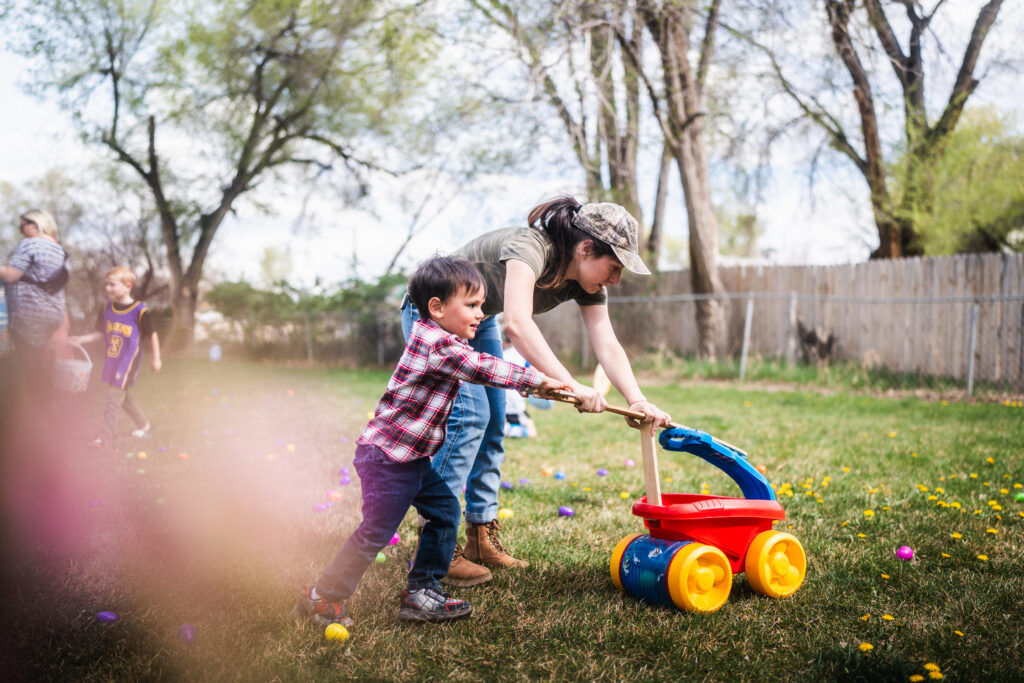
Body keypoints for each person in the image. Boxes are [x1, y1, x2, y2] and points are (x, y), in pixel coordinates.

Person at [401, 196, 672, 585]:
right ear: (585, 249)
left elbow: (607, 342)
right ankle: (438, 547)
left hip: (478, 320)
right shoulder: (530, 248)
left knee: (494, 422)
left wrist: (637, 399)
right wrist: (571, 384)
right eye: (614, 267)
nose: (615, 279)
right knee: (470, 417)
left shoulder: (586, 281)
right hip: (434, 315)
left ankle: (480, 535)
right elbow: (517, 322)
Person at [295, 255, 566, 626]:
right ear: (437, 308)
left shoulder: (446, 340)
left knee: (443, 512)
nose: (480, 314)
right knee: (376, 531)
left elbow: (475, 363)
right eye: (471, 305)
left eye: (482, 305)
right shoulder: (437, 344)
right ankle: (322, 597)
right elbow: (482, 367)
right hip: (388, 459)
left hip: (413, 460)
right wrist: (536, 380)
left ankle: (422, 591)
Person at [69, 266, 161, 448]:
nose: (108, 288)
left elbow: (152, 334)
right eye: (107, 284)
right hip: (113, 359)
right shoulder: (107, 308)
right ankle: (144, 425)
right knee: (122, 395)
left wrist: (156, 358)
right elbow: (99, 333)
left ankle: (104, 438)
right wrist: (81, 339)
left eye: (112, 285)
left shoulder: (139, 310)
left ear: (128, 286)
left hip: (128, 360)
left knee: (113, 396)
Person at [0, 210, 70, 399]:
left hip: (28, 317)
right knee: (45, 369)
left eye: (21, 226)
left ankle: (40, 417)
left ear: (35, 225)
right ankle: (53, 414)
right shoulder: (60, 251)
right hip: (53, 317)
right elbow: (60, 290)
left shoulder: (29, 244)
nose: (20, 231)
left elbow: (10, 275)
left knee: (31, 372)